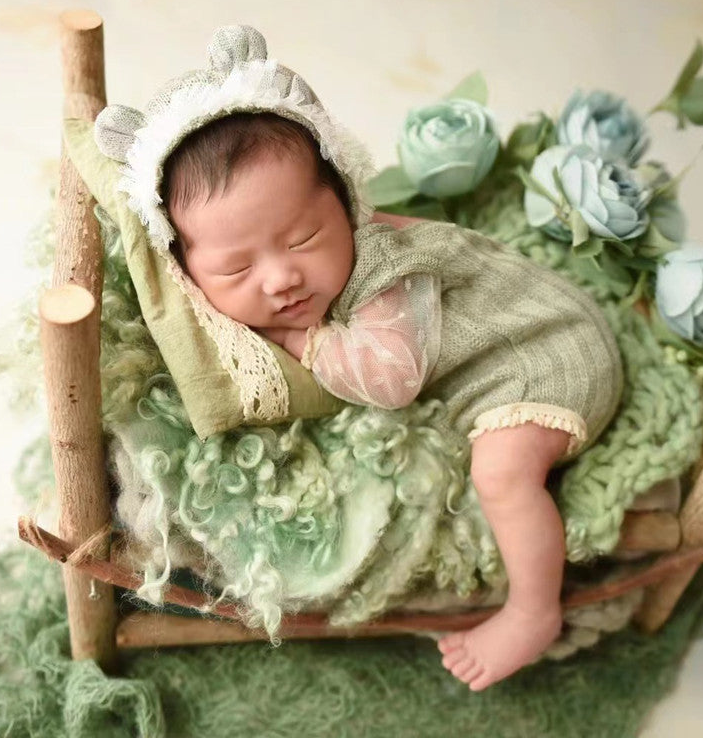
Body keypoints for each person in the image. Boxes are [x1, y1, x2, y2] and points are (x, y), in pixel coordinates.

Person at [159, 109, 624, 692]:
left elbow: (390, 379)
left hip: (543, 359)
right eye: (236, 268)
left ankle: (533, 613)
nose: (281, 279)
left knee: (502, 476)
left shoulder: (382, 268)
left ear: (348, 207)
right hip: (516, 354)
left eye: (305, 238)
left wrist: (300, 341)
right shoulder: (297, 269)